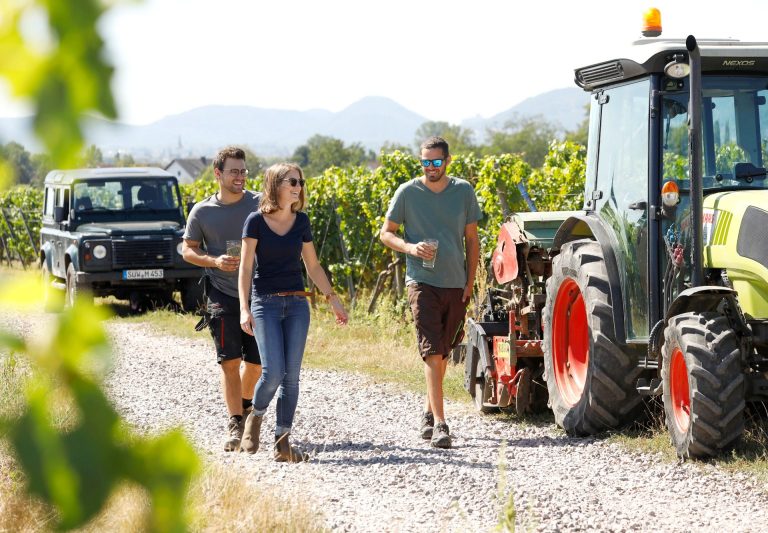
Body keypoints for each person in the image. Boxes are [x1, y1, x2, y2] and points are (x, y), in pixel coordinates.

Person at [238, 162, 348, 462]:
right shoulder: (255, 221)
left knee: (291, 378)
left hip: (297, 304)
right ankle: (255, 417)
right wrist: (244, 308)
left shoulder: (302, 221)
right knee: (273, 371)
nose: (299, 187)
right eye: (293, 182)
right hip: (265, 303)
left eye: (300, 182)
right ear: (276, 185)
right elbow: (245, 268)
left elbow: (313, 265)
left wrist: (333, 299)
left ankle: (283, 443)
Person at [379, 136, 481, 449]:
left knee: (444, 352)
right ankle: (440, 424)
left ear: (447, 161)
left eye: (436, 162)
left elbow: (472, 240)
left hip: (455, 283)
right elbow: (386, 233)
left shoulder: (463, 191)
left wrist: (469, 282)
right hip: (421, 281)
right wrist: (410, 248)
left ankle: (427, 411)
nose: (431, 167)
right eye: (425, 162)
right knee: (432, 351)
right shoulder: (407, 192)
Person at [182, 146, 263, 452]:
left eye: (243, 171)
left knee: (256, 365)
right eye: (234, 171)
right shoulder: (202, 212)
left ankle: (244, 404)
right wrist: (214, 261)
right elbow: (187, 249)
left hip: (258, 293)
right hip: (221, 292)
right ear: (218, 173)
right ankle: (235, 421)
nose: (240, 177)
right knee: (230, 361)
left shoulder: (259, 203)